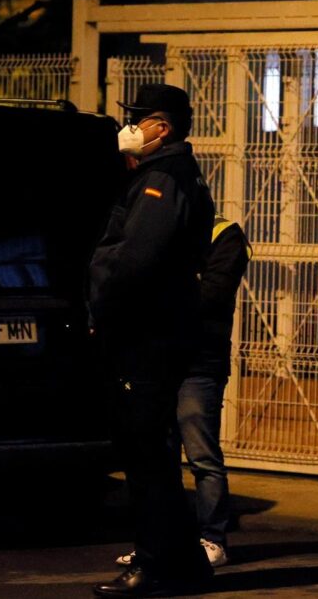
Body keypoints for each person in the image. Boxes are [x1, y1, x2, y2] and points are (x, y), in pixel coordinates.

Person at [89, 84, 216, 597]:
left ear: (162, 127)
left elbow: (135, 258)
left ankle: (155, 561)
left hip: (147, 331)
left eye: (138, 120)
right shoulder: (160, 174)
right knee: (153, 451)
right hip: (158, 328)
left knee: (145, 452)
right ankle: (183, 561)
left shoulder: (163, 179)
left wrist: (106, 310)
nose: (130, 128)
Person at [115, 214, 251, 569]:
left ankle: (212, 539)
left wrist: (158, 294)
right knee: (158, 458)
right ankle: (160, 544)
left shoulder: (223, 234)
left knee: (202, 456)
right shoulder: (158, 229)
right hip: (158, 360)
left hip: (199, 361)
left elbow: (212, 294)